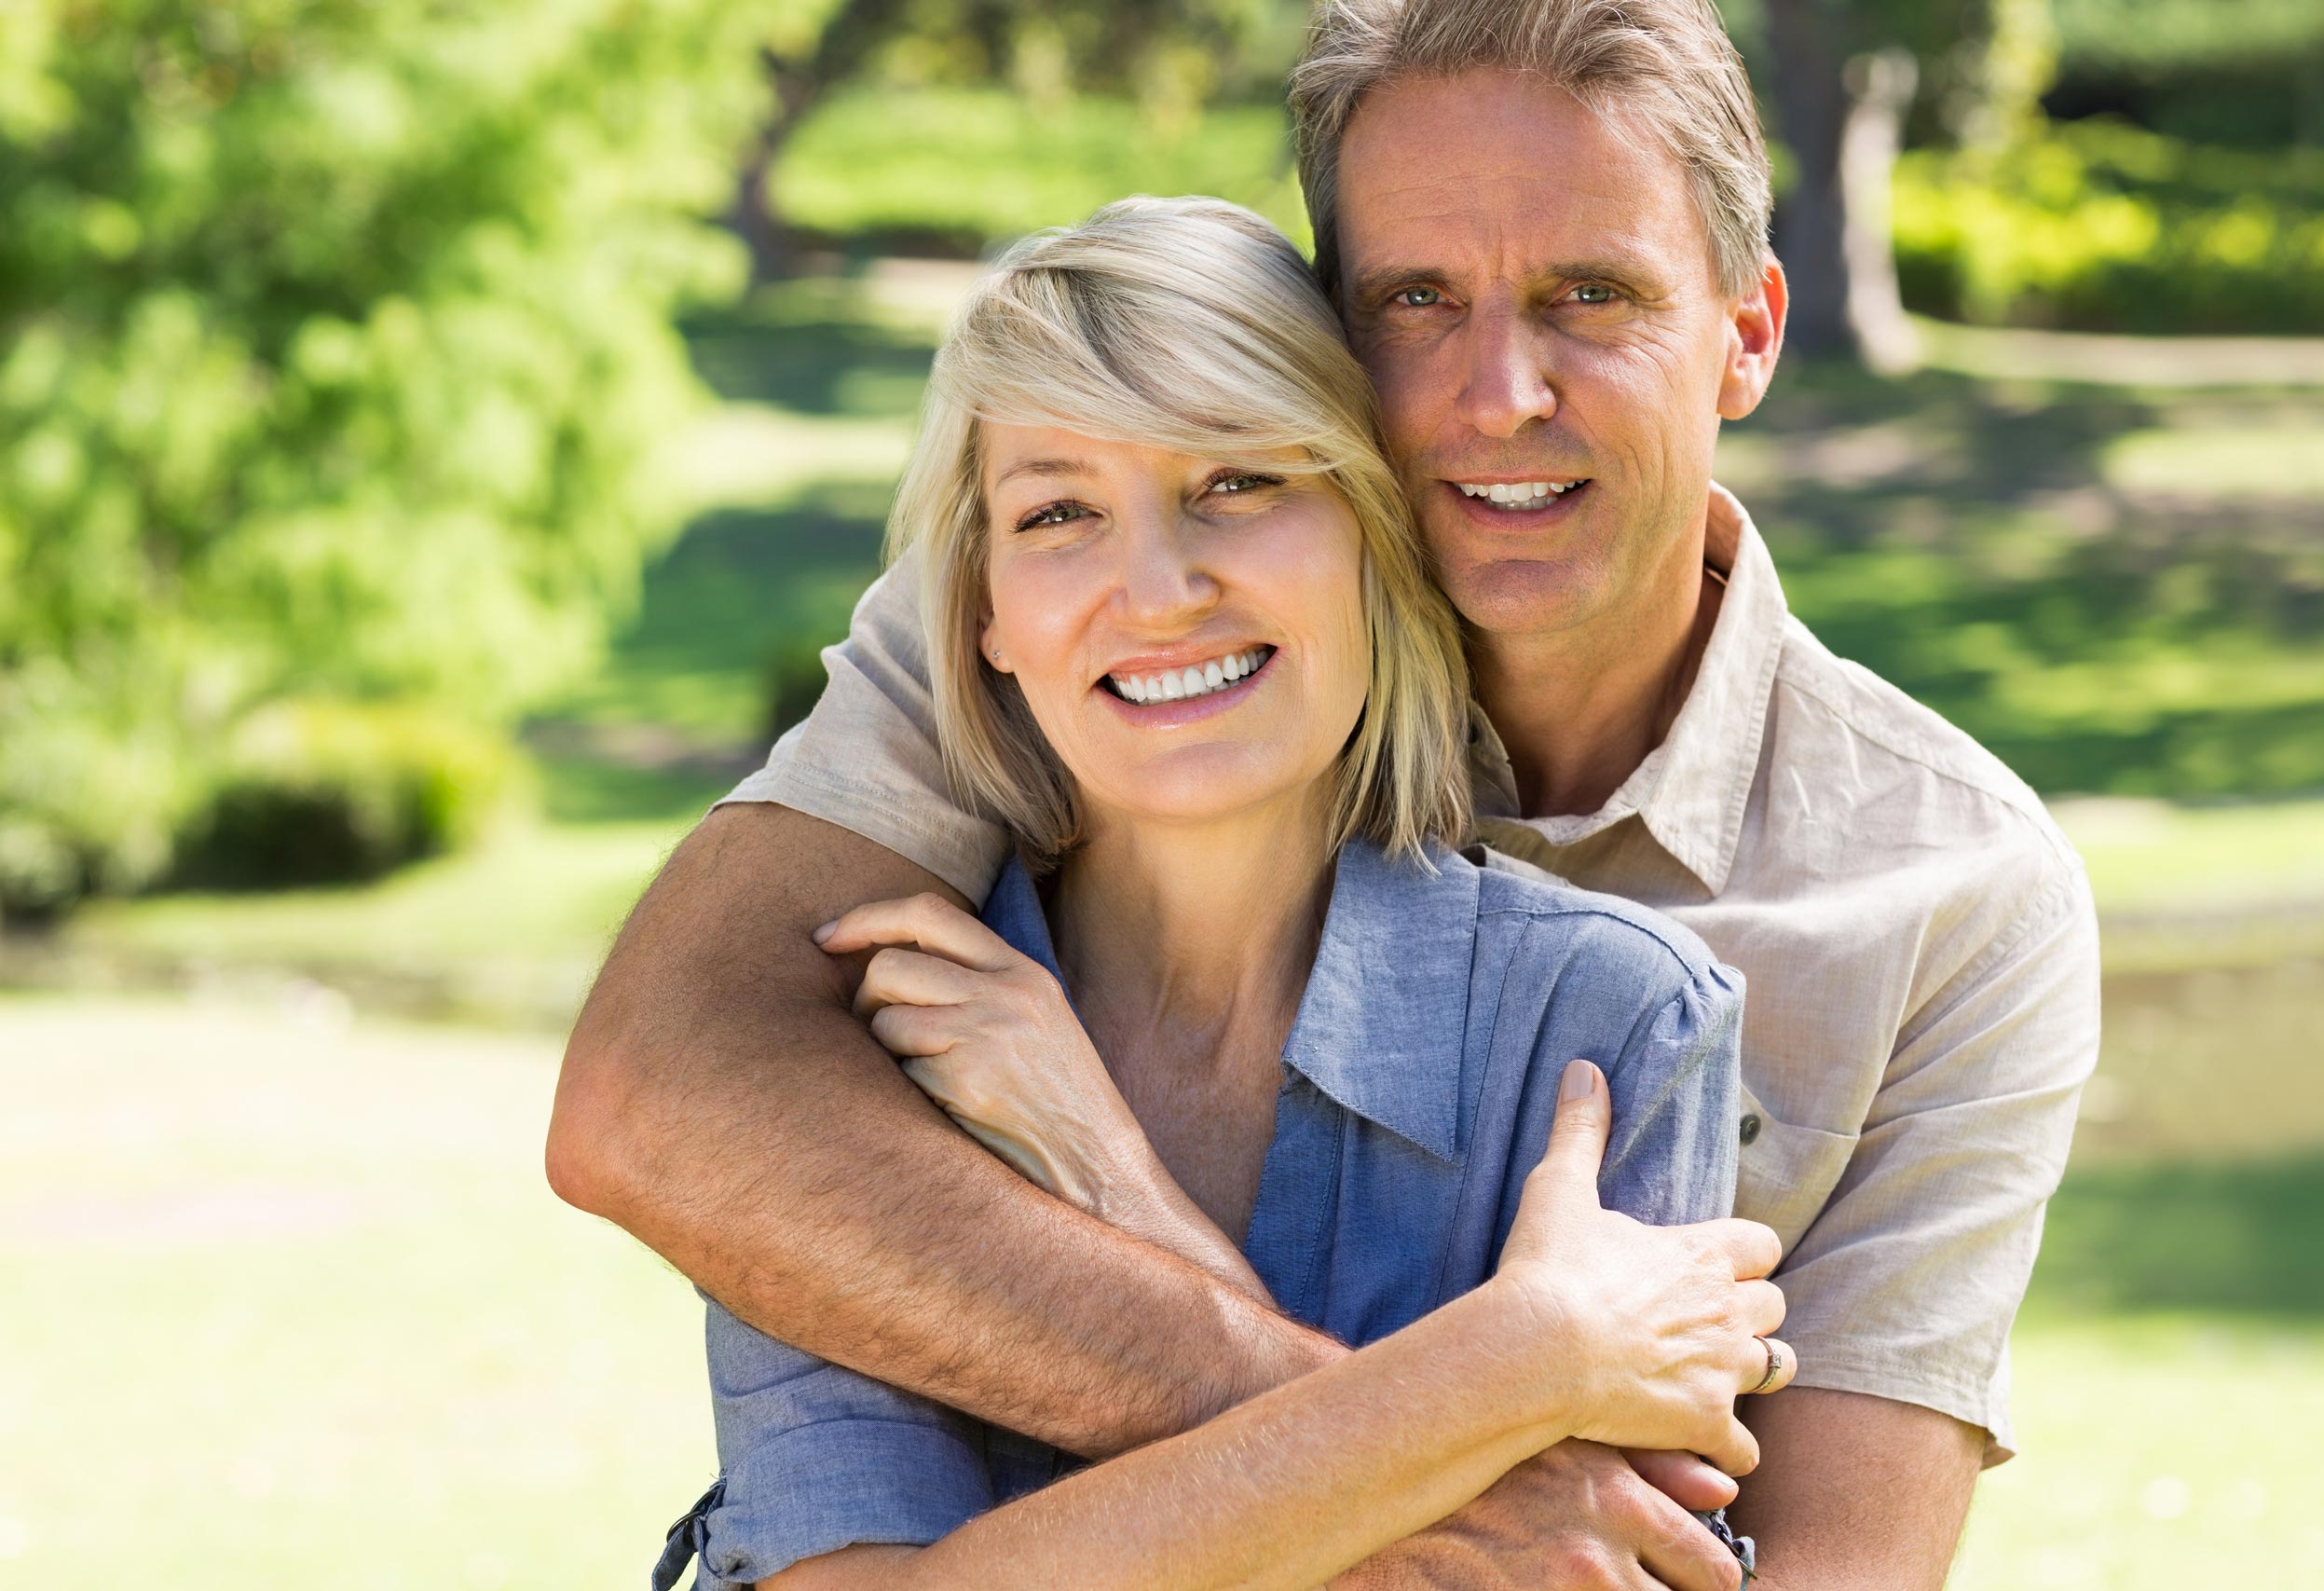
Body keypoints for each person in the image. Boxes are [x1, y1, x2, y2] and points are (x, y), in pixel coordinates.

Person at [549, 2, 2101, 1585]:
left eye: (1593, 295)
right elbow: (661, 1102)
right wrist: (1485, 1449)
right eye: (1415, 299)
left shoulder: (1948, 893)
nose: (1499, 391)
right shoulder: (1084, 634)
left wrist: (1120, 1194)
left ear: (1747, 331)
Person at [650, 197, 1786, 1591]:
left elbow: (1588, 1572)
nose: (1158, 589)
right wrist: (1520, 1357)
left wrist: (1110, 1176)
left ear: (1374, 534)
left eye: (1238, 484)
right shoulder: (874, 1049)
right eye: (1058, 511)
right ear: (988, 609)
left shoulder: (1611, 1024)